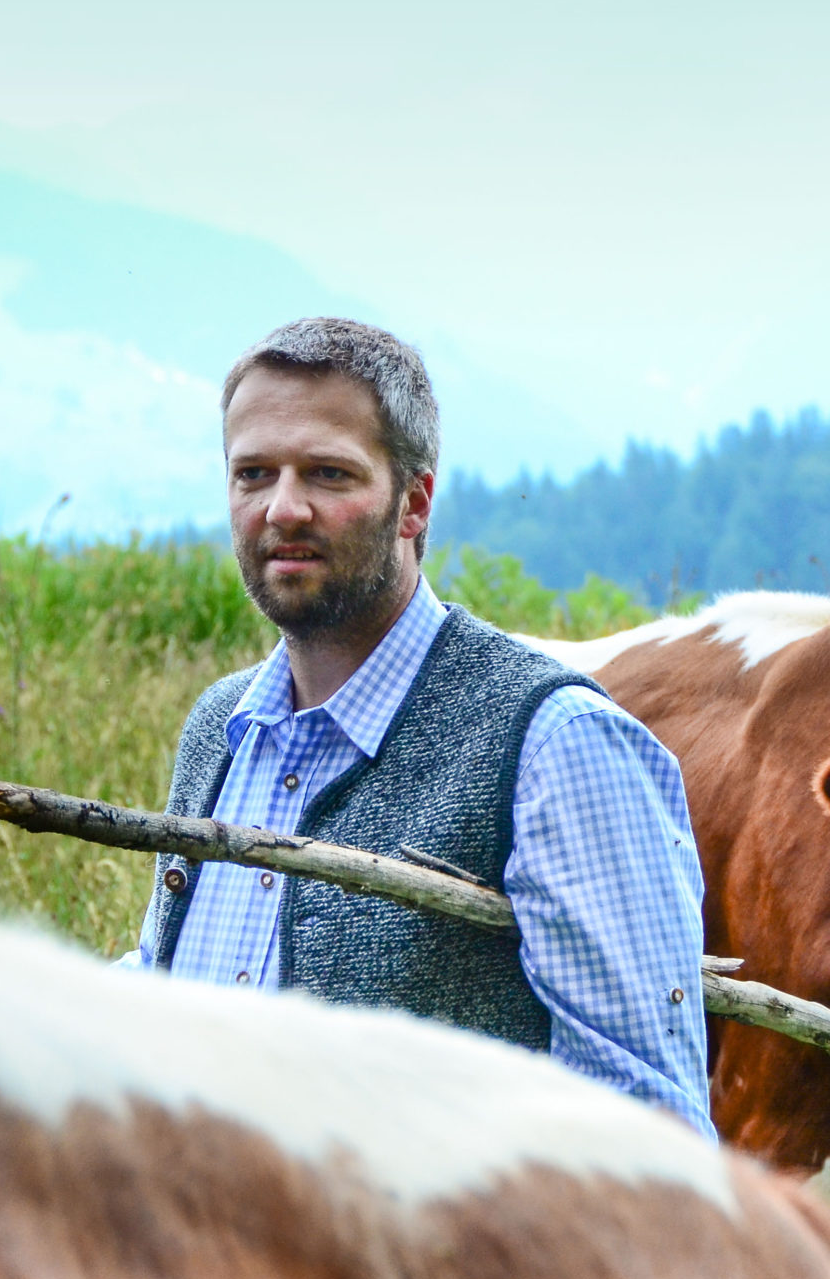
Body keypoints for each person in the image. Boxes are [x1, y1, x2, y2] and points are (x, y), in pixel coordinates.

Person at [122, 317, 713, 1135]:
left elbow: (648, 1132)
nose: (282, 509)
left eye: (329, 474)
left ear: (415, 503)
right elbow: (164, 985)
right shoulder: (222, 730)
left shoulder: (554, 744)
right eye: (252, 474)